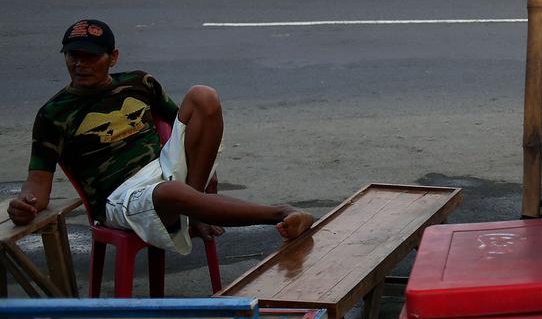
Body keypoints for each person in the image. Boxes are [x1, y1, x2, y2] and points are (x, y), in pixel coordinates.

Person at [7, 19, 314, 256]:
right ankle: (282, 212)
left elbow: (182, 123)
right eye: (73, 56)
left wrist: (204, 171)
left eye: (90, 57)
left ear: (112, 57)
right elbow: (37, 184)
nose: (80, 64)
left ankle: (194, 208)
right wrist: (25, 204)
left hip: (163, 167)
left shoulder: (139, 82)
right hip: (120, 198)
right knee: (171, 193)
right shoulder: (53, 114)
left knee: (203, 96)